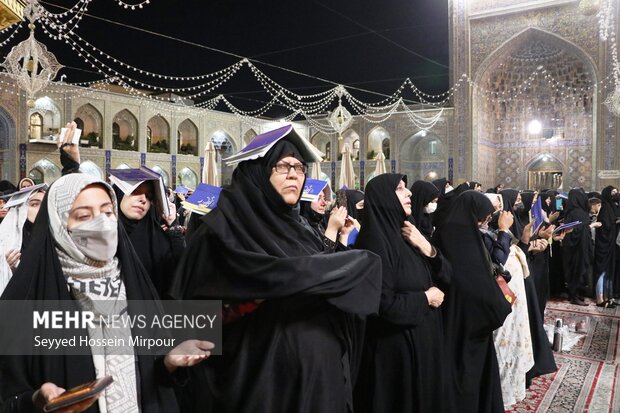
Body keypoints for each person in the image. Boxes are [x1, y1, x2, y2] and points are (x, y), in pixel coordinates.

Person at [169, 135, 381, 413]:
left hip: (320, 383)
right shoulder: (221, 231)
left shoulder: (303, 229)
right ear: (259, 171)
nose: (294, 174)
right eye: (282, 166)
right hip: (260, 385)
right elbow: (190, 315)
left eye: (299, 167)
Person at [0, 173, 212, 413]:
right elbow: (9, 395)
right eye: (83, 216)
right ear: (59, 223)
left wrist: (169, 362)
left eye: (107, 212)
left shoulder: (135, 284)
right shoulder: (25, 300)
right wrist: (36, 400)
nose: (101, 223)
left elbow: (153, 371)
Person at [353, 174, 449, 412]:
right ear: (385, 197)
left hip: (421, 347)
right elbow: (383, 305)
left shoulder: (407, 234)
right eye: (400, 189)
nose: (409, 194)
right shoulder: (374, 242)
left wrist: (427, 247)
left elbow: (447, 276)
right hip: (396, 358)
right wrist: (426, 298)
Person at [435, 190, 512, 413]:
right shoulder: (463, 237)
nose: (485, 223)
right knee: (467, 384)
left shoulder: (447, 231)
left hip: (451, 325)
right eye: (483, 219)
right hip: (468, 328)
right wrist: (500, 304)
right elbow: (475, 288)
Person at [0, 187, 46, 295]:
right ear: (21, 209)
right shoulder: (8, 242)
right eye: (34, 204)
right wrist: (12, 268)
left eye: (44, 205)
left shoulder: (56, 239)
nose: (41, 209)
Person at [562, 188, 597, 306]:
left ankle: (575, 294)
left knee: (575, 272)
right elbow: (579, 230)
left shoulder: (571, 212)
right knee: (579, 271)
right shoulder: (579, 213)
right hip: (580, 249)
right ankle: (575, 296)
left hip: (573, 248)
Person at [594, 186, 619, 307]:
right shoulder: (604, 209)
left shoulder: (611, 207)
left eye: (616, 192)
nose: (615, 194)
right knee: (602, 271)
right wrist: (615, 223)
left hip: (610, 245)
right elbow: (605, 226)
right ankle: (600, 299)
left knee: (609, 270)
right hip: (603, 245)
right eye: (613, 192)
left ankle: (608, 297)